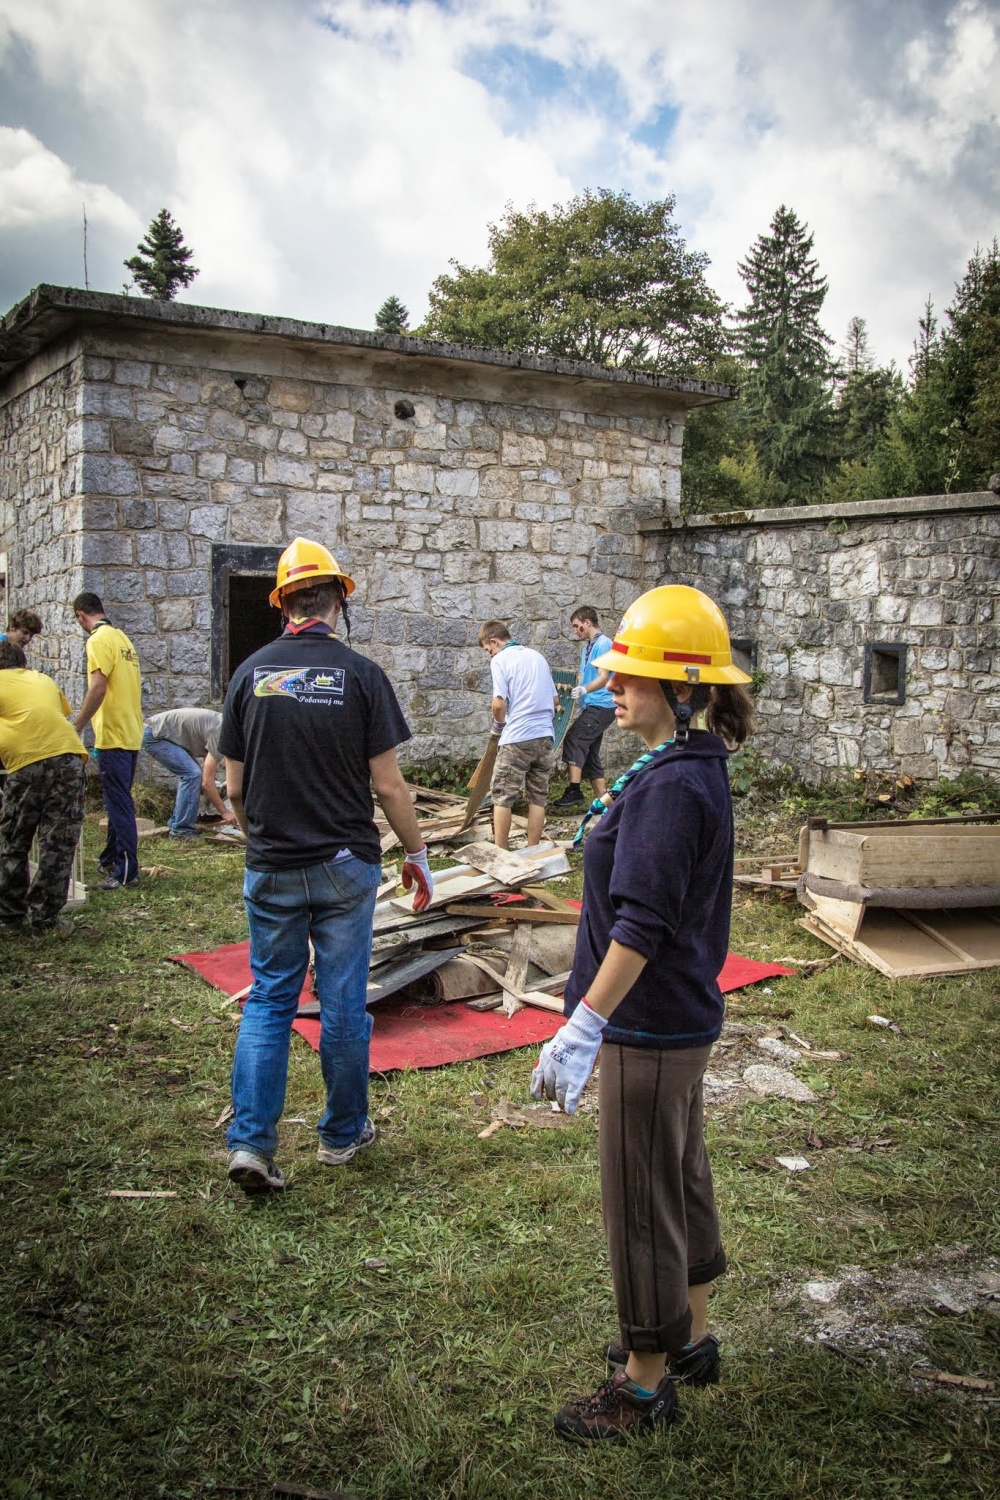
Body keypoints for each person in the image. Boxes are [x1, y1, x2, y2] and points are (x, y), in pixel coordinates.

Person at [530, 585, 754, 1444]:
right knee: (680, 1175)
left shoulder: (671, 789)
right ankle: (691, 1336)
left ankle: (644, 1380)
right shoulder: (685, 766)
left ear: (684, 688)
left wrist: (585, 1023)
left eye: (632, 674)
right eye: (615, 670)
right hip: (679, 1020)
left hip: (648, 1023)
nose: (613, 684)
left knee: (639, 1199)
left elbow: (644, 925)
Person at [220, 537, 435, 1194]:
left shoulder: (248, 675)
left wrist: (264, 840)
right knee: (342, 1002)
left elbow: (232, 788)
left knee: (269, 1000)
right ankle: (342, 1135)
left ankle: (252, 1144)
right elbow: (390, 787)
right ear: (339, 600)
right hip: (346, 866)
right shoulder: (363, 677)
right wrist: (419, 856)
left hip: (275, 864)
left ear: (283, 603)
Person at [0, 640, 87, 935]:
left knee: (14, 839)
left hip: (26, 765)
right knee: (58, 842)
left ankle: (10, 918)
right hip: (68, 759)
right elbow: (56, 712)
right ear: (23, 663)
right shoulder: (43, 678)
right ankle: (45, 919)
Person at [72, 592, 144, 891]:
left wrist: (76, 726)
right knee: (118, 799)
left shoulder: (98, 639)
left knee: (119, 804)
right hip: (130, 731)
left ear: (80, 615)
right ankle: (110, 857)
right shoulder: (123, 639)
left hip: (113, 733)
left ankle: (127, 871)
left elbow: (98, 687)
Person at [478, 620, 558, 850]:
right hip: (545, 736)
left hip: (517, 736)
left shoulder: (500, 660)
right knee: (537, 797)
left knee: (502, 795)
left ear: (494, 641)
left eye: (488, 650)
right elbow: (554, 700)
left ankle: (501, 852)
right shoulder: (537, 656)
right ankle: (533, 850)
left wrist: (499, 725)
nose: (489, 655)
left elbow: (498, 704)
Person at [551, 605, 617, 811]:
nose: (575, 630)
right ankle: (608, 808)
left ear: (588, 623)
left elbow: (604, 678)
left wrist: (584, 690)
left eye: (577, 626)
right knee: (590, 756)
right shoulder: (589, 646)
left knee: (574, 738)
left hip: (602, 704)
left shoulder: (604, 644)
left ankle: (574, 790)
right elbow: (585, 675)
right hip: (593, 704)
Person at [142, 708, 235, 838]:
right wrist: (224, 812)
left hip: (160, 732)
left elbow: (208, 772)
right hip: (154, 734)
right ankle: (181, 832)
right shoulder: (222, 735)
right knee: (192, 775)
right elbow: (207, 783)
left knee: (194, 775)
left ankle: (176, 824)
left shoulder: (226, 726)